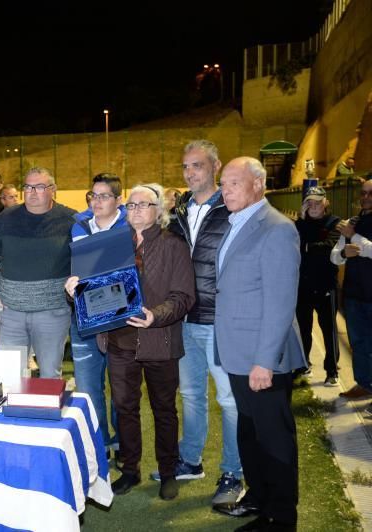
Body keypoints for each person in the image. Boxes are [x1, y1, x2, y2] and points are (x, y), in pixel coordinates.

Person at [68, 183, 195, 501]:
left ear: (158, 210)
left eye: (145, 204)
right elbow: (95, 290)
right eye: (133, 205)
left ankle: (168, 471)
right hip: (120, 341)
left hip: (159, 340)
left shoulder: (173, 245)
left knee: (164, 409)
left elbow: (184, 297)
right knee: (124, 408)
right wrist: (76, 290)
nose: (137, 209)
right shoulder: (109, 244)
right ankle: (130, 470)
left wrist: (157, 314)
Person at [215, 157, 306, 531]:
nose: (225, 190)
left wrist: (264, 361)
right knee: (250, 433)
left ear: (258, 184)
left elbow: (281, 303)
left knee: (273, 439)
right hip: (238, 353)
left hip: (261, 358)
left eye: (233, 183)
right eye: (223, 184)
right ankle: (259, 500)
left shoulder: (277, 229)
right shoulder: (237, 222)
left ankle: (281, 519)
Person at [163, 140, 244, 511]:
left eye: (197, 165)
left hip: (219, 319)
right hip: (185, 318)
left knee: (229, 400)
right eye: (185, 167)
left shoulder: (232, 206)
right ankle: (191, 461)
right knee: (191, 395)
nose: (190, 172)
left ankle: (233, 472)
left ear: (215, 166)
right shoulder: (180, 210)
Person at [0, 167, 76, 378]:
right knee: (8, 378)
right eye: (28, 187)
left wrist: (70, 292)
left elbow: (84, 262)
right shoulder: (6, 218)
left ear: (53, 189)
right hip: (11, 313)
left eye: (40, 187)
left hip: (53, 313)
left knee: (50, 376)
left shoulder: (71, 220)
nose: (32, 192)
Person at [66, 173, 127, 462]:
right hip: (84, 319)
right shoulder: (78, 226)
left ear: (119, 199)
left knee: (121, 389)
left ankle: (123, 443)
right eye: (93, 195)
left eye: (104, 195)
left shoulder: (130, 227)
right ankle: (98, 443)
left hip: (119, 321)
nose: (97, 201)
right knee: (89, 388)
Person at [331, 178, 372, 399]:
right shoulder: (353, 221)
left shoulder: (351, 229)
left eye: (370, 194)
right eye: (363, 193)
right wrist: (344, 253)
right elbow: (335, 257)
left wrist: (353, 237)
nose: (365, 198)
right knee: (358, 342)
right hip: (354, 294)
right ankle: (364, 384)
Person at [295, 186, 340, 385]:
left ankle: (332, 371)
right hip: (303, 285)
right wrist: (302, 220)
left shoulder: (335, 223)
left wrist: (306, 247)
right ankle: (304, 365)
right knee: (303, 328)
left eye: (317, 202)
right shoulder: (299, 225)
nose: (313, 206)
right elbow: (293, 248)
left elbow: (329, 249)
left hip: (325, 285)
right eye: (309, 202)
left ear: (326, 203)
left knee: (328, 329)